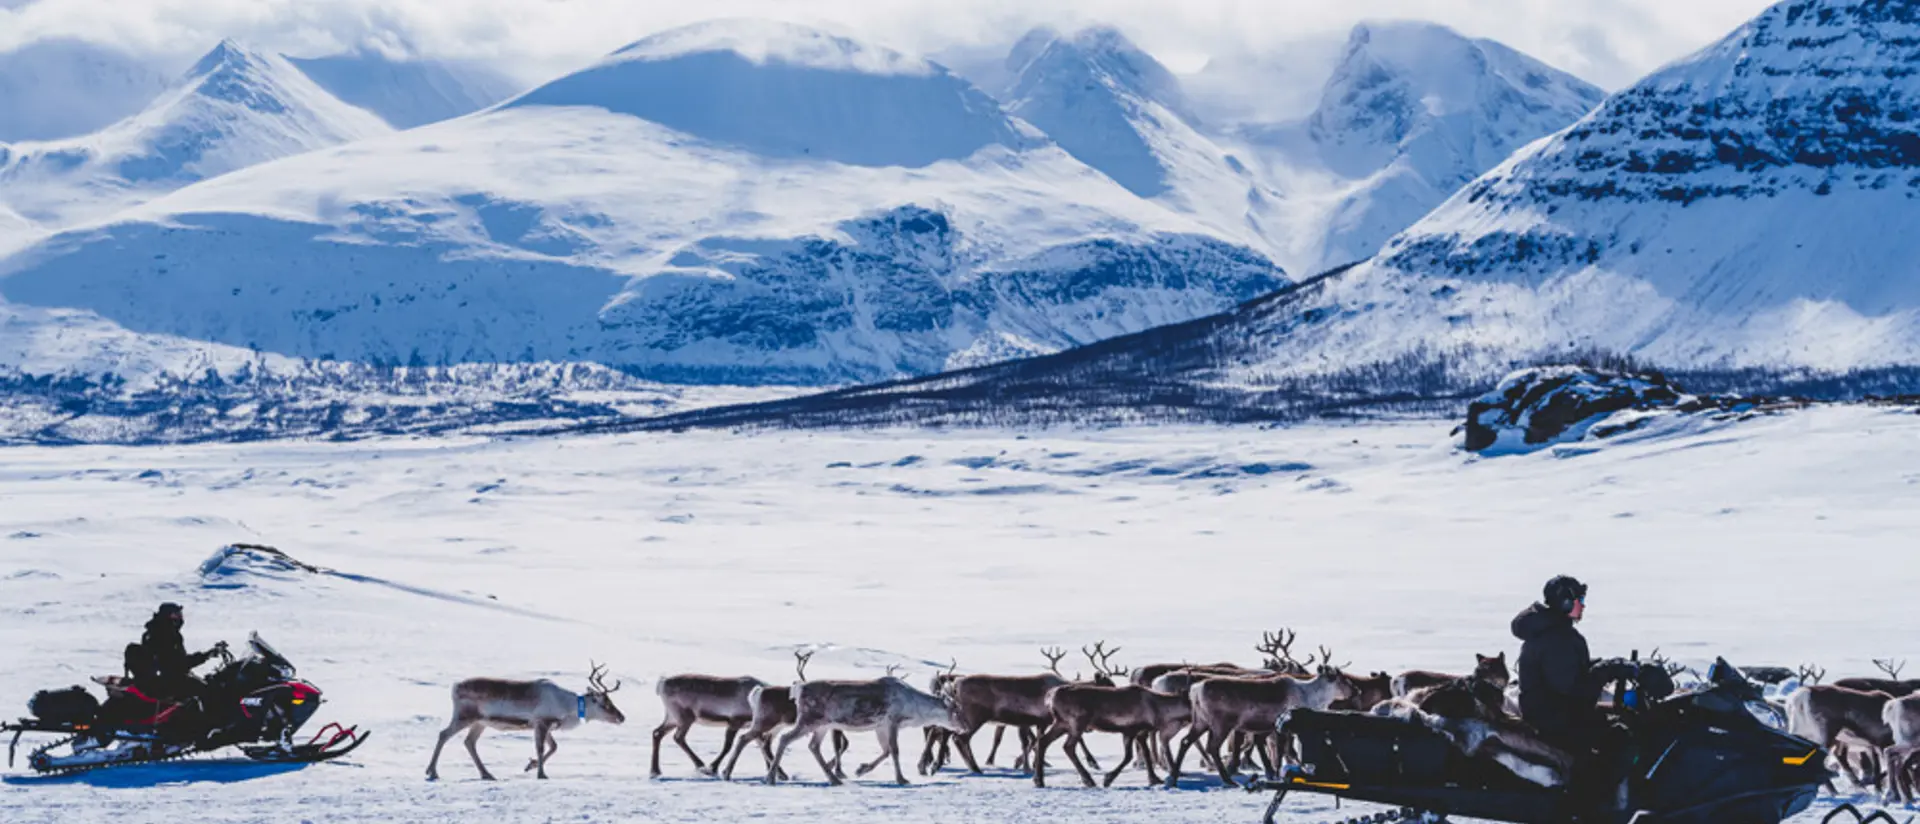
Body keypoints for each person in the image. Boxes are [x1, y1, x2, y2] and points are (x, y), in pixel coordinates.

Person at [1511, 575, 1601, 747]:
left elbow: (1563, 671)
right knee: (1620, 735)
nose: (1583, 605)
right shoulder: (1558, 639)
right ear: (1566, 603)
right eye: (1579, 600)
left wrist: (1598, 667)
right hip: (1554, 722)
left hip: (1545, 714)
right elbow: (1570, 688)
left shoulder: (1551, 631)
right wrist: (1604, 673)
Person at [134, 603, 225, 702]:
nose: (180, 617)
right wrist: (206, 656)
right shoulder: (165, 634)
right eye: (176, 614)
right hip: (169, 681)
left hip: (164, 679)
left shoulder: (158, 631)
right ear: (166, 616)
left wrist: (206, 655)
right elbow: (178, 664)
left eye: (180, 614)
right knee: (210, 693)